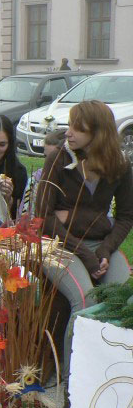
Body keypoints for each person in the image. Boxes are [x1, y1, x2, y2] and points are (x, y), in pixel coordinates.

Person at [37, 100, 133, 372]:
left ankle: (113, 372)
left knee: (124, 299)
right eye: (70, 125)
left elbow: (126, 215)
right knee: (87, 299)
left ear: (99, 133)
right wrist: (87, 256)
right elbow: (44, 217)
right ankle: (73, 382)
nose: (69, 132)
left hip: (99, 245)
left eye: (78, 128)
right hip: (59, 244)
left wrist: (104, 250)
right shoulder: (58, 159)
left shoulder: (120, 165)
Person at [19, 129, 65, 217]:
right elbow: (23, 218)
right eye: (46, 157)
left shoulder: (74, 182)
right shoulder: (35, 180)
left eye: (55, 158)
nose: (49, 162)